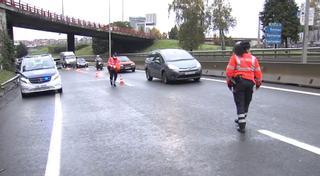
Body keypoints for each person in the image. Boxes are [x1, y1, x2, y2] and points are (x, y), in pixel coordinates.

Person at [225, 41, 262, 133]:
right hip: (250, 83)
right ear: (248, 49)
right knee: (246, 101)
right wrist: (258, 83)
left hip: (239, 83)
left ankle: (242, 126)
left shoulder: (235, 58)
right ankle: (242, 118)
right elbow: (258, 73)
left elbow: (229, 72)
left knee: (240, 102)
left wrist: (229, 83)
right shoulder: (253, 59)